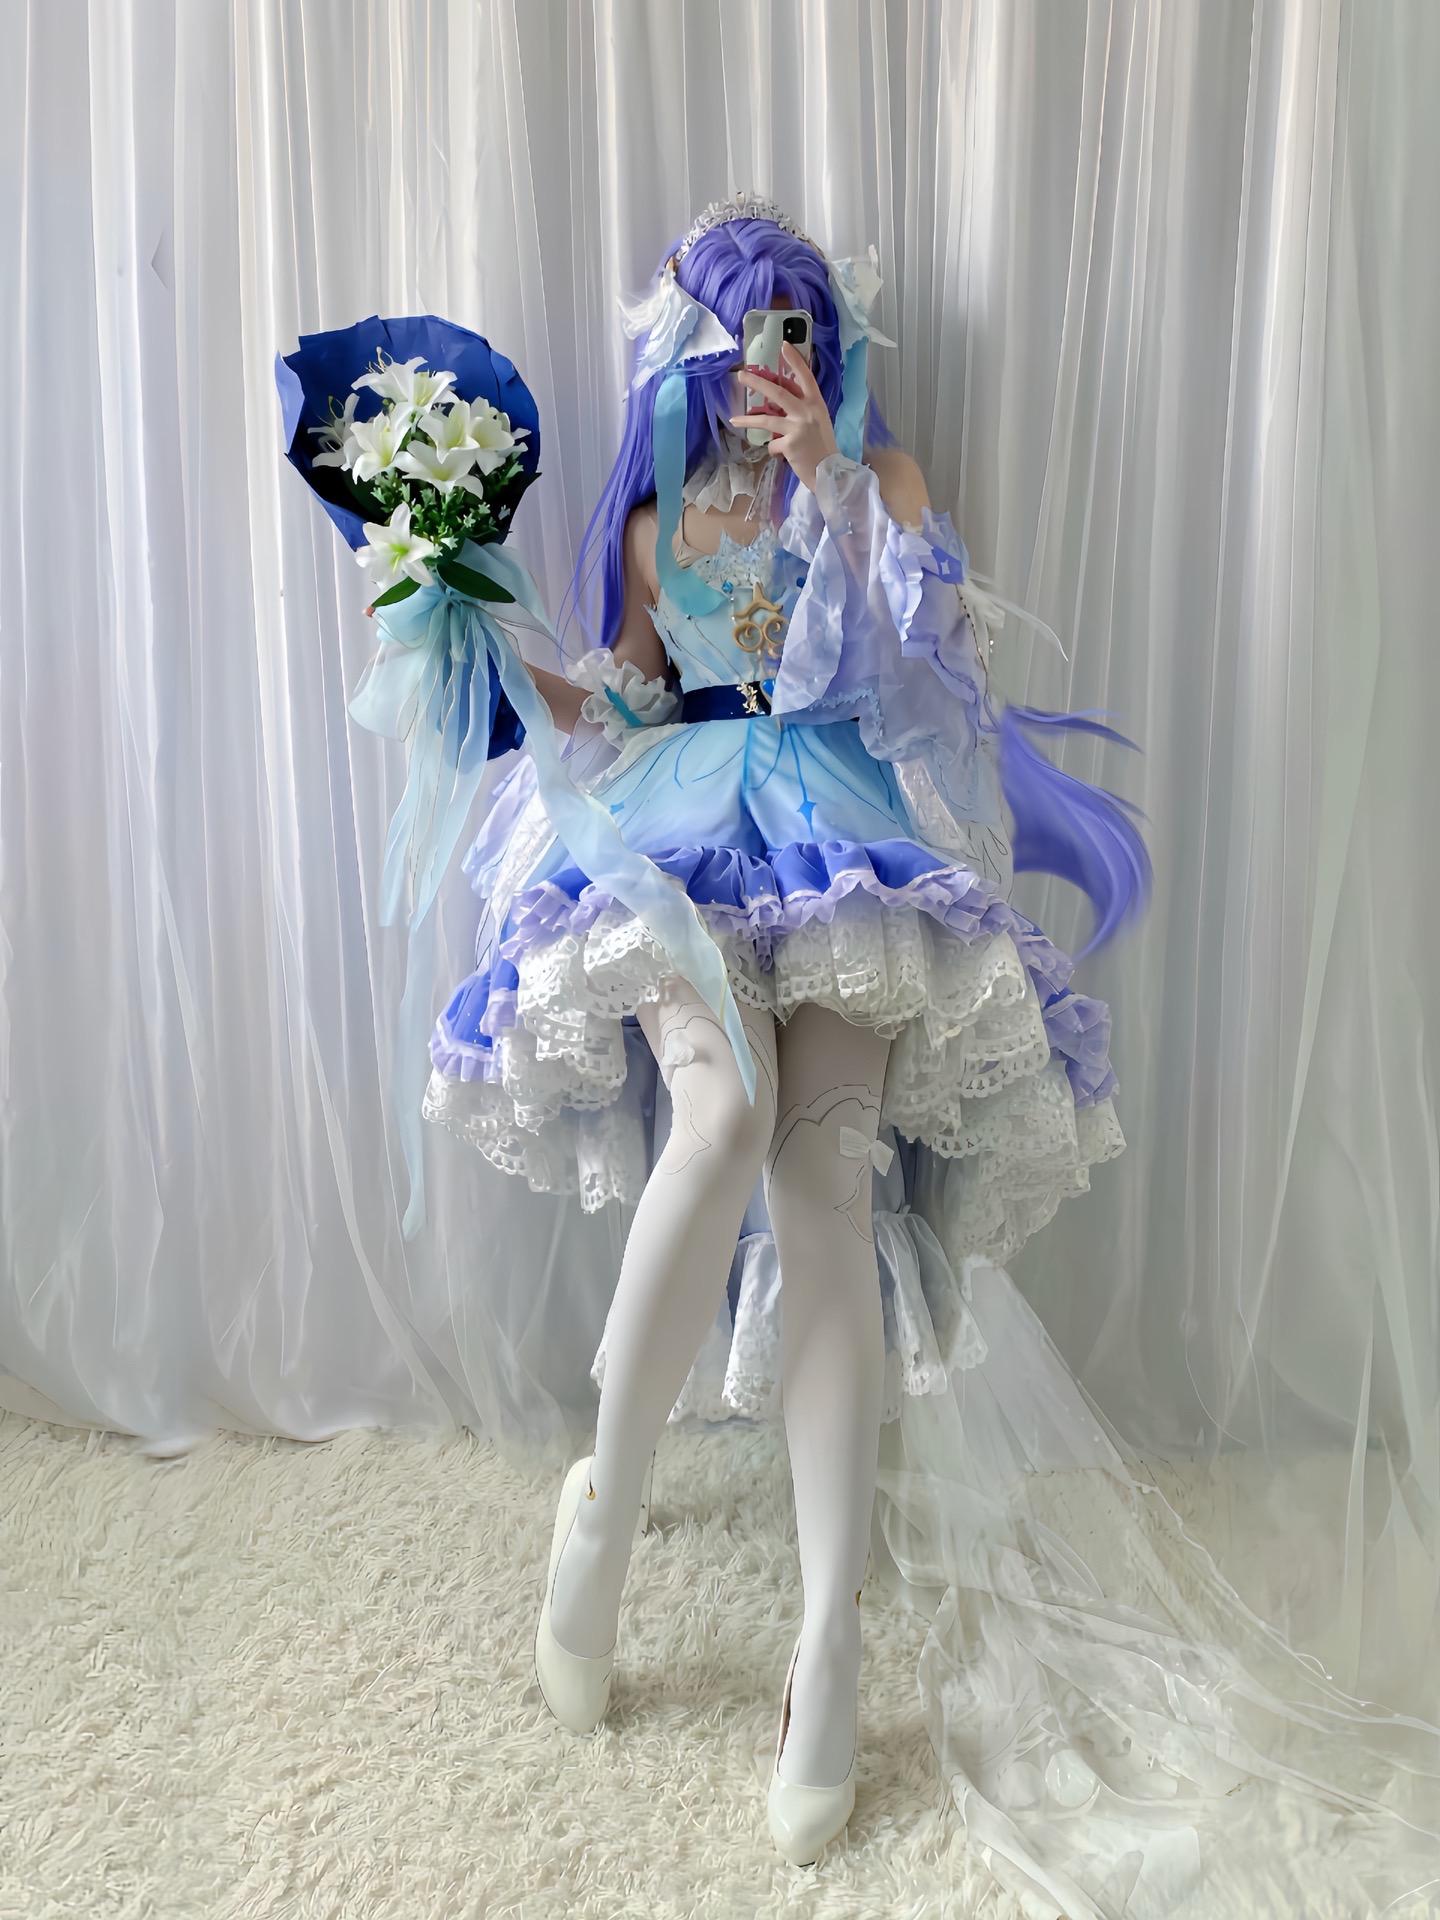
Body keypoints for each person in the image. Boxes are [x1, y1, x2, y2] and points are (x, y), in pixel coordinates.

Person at [419, 193, 1149, 1869]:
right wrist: (471, 623)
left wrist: (833, 474)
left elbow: (922, 678)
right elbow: (619, 702)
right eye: (748, 340)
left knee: (825, 1183)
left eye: (799, 336)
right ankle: (604, 1505)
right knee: (727, 1116)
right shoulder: (649, 521)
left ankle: (831, 1633)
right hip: (682, 824)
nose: (771, 367)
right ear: (691, 358)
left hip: (843, 821)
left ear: (828, 345)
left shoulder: (879, 484)